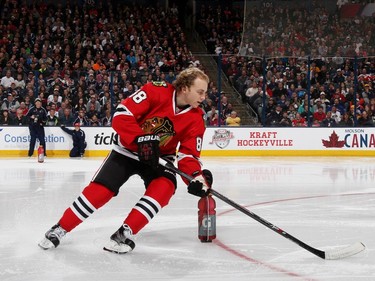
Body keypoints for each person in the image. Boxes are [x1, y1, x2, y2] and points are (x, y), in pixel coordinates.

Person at [38, 67, 213, 254]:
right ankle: (60, 228)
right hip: (128, 150)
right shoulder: (156, 90)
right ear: (185, 88)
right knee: (101, 191)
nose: (203, 97)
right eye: (200, 92)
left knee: (165, 187)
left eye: (205, 93)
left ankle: (124, 233)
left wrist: (195, 177)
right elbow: (122, 115)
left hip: (159, 159)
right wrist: (140, 139)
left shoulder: (197, 117)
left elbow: (189, 155)